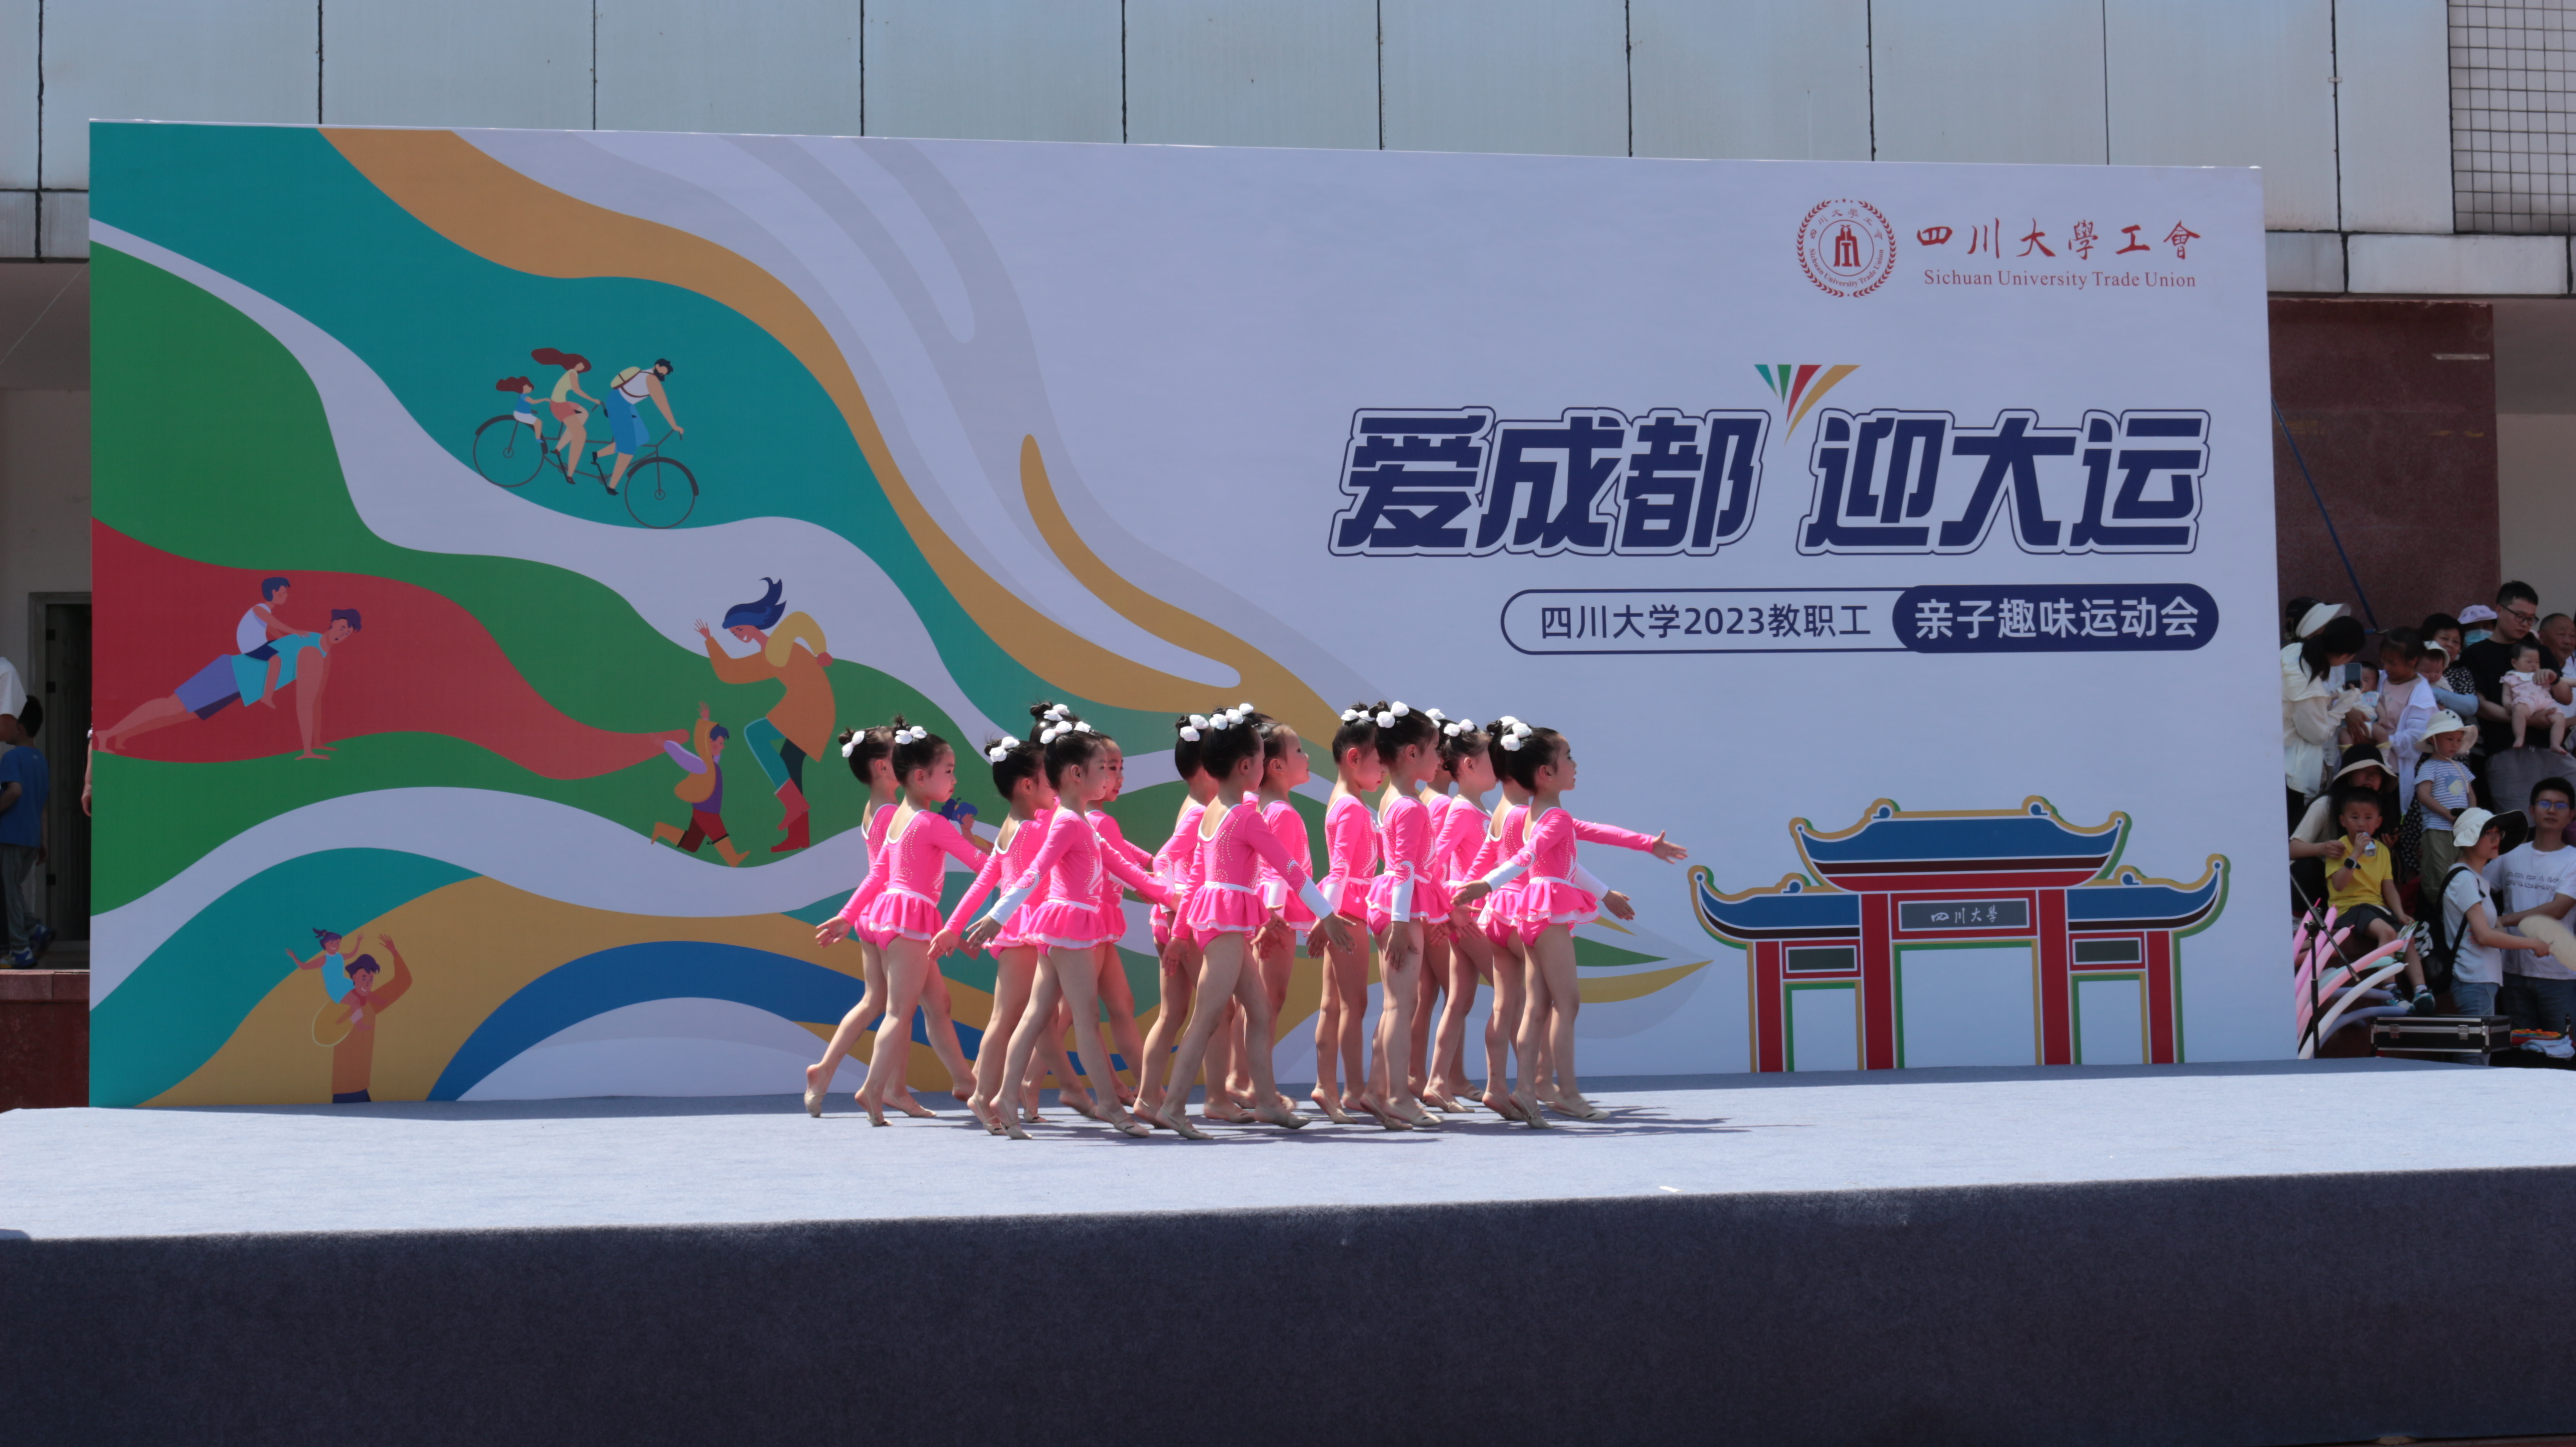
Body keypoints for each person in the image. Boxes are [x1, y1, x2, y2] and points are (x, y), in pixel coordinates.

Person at [1455, 721, 1689, 1122]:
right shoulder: (1551, 817)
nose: (1576, 765)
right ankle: (1566, 1092)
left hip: (1527, 911)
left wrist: (1647, 843)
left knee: (1536, 1006)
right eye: (1569, 758)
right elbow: (1527, 857)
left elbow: (1594, 832)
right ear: (1546, 772)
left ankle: (1526, 1090)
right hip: (1547, 912)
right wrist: (1486, 885)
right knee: (1567, 1003)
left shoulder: (1532, 814)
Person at [1130, 704, 1346, 1139]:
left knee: (1259, 1011)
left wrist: (1180, 934)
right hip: (1225, 924)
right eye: (1263, 760)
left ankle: (1266, 1101)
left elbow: (1195, 878)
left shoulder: (1213, 810)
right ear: (1246, 766)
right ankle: (1173, 1107)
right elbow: (1289, 869)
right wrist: (1328, 914)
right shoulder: (1245, 816)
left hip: (1219, 920)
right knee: (1208, 1016)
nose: (1265, 768)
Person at [964, 706, 1172, 1140]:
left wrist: (1174, 896)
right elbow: (1032, 873)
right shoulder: (1066, 824)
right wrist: (998, 916)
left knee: (1038, 1015)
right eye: (1103, 769)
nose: (1111, 777)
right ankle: (1110, 1106)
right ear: (1077, 774)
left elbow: (1125, 868)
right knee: (1085, 1018)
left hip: (1067, 925)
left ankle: (1005, 1098)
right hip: (1069, 925)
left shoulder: (1081, 823)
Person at [845, 724, 983, 1125]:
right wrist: (1027, 865)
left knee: (938, 1004)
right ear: (921, 776)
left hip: (898, 917)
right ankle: (874, 1090)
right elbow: (981, 865)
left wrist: (847, 916)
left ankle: (966, 1082)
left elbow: (878, 875)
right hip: (908, 921)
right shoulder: (930, 823)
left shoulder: (900, 817)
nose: (955, 780)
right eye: (949, 771)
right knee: (899, 1012)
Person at [96, 609, 362, 760]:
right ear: (333, 623)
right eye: (342, 627)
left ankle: (120, 735)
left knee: (181, 714)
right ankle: (108, 734)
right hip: (232, 675)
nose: (343, 633)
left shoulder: (316, 646)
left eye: (348, 632)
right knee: (171, 706)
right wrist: (308, 749)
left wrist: (316, 742)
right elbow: (304, 702)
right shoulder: (312, 650)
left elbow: (310, 698)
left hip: (240, 685)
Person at [696, 578, 835, 853]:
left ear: (753, 623)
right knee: (790, 762)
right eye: (734, 634)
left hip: (809, 706)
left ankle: (793, 806)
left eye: (739, 629)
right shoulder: (769, 655)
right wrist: (710, 640)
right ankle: (799, 832)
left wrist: (821, 651)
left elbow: (799, 621)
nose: (738, 636)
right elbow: (731, 673)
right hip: (806, 707)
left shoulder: (777, 646)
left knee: (756, 733)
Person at [1310, 706, 1384, 1123]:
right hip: (1347, 911)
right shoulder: (1352, 808)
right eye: (1380, 761)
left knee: (1334, 1004)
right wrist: (1329, 916)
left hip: (1343, 908)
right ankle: (1353, 1089)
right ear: (1354, 758)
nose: (1385, 770)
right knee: (1354, 1004)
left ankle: (1329, 1085)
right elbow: (1339, 868)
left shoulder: (1346, 802)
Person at [2318, 788, 2435, 1012]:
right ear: (2343, 821)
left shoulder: (2382, 849)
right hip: (2349, 908)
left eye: (2368, 818)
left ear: (2378, 822)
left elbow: (2388, 887)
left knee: (2407, 937)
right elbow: (2339, 885)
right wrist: (2355, 854)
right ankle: (2390, 992)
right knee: (2388, 933)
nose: (2361, 823)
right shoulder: (2339, 847)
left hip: (2376, 908)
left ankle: (2421, 990)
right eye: (2355, 817)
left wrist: (2400, 914)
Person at [2487, 778, 2576, 1042]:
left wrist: (2502, 921)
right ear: (2531, 810)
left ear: (2572, 815)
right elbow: (2476, 886)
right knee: (2520, 1053)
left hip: (2559, 974)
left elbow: (2558, 909)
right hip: (2512, 971)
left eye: (2561, 805)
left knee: (2562, 1051)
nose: (2552, 810)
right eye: (2545, 803)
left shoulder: (2573, 859)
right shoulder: (2509, 854)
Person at [2438, 808, 2538, 1019]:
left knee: (2481, 1041)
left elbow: (2492, 931)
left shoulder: (2475, 878)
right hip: (2473, 978)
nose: (2496, 839)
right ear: (2469, 840)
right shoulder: (2465, 879)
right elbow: (2485, 936)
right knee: (2477, 1041)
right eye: (2487, 833)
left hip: (2481, 979)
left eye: (2498, 833)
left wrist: (2492, 933)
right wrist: (2534, 944)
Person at [2285, 615, 2369, 827]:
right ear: (2346, 656)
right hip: (2289, 772)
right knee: (2291, 834)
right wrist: (2345, 704)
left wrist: (2336, 697)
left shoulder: (2293, 651)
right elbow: (2318, 734)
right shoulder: (2308, 686)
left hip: (2276, 760)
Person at [649, 703, 746, 867]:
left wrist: (706, 721)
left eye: (722, 744)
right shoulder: (702, 766)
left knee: (692, 844)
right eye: (719, 744)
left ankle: (662, 829)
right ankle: (733, 859)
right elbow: (682, 756)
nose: (722, 747)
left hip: (706, 809)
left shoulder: (712, 763)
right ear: (709, 742)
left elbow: (708, 746)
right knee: (718, 833)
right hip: (706, 811)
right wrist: (665, 744)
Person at [325, 939, 413, 1104]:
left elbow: (403, 982)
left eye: (371, 979)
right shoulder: (343, 1002)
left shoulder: (370, 1003)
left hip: (362, 1083)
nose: (367, 983)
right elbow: (328, 1032)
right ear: (353, 978)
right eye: (364, 977)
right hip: (346, 1087)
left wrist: (395, 953)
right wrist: (352, 1019)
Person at [0, 699, 50, 967]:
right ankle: (34, 929)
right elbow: (43, 806)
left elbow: (14, 791)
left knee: (9, 893)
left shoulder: (11, 757)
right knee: (13, 890)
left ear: (18, 728)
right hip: (31, 837)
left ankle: (21, 949)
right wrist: (44, 840)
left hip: (10, 835)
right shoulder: (41, 760)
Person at [2410, 713, 2479, 891]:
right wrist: (2447, 814)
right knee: (2441, 872)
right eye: (2449, 739)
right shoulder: (2428, 766)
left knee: (2462, 868)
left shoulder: (2461, 767)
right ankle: (2441, 903)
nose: (2455, 745)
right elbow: (2423, 796)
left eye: (2459, 740)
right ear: (2433, 739)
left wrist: (2471, 816)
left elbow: (2471, 794)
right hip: (2438, 828)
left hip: (2460, 829)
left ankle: (2460, 901)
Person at [594, 359, 682, 495]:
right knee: (628, 450)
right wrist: (674, 425)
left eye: (664, 375)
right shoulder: (651, 379)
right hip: (618, 405)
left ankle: (597, 455)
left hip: (624, 404)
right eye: (661, 372)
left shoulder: (646, 374)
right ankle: (611, 487)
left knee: (642, 437)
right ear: (657, 366)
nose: (662, 376)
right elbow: (662, 403)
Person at [532, 348, 597, 482]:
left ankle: (558, 448)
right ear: (576, 363)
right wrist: (593, 400)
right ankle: (570, 474)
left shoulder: (572, 373)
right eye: (582, 363)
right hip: (559, 406)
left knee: (584, 414)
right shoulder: (572, 373)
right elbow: (577, 391)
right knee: (581, 435)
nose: (583, 366)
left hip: (562, 403)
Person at [2502, 640, 2571, 755]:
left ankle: (2555, 743)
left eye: (2537, 662)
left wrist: (2556, 679)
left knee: (2559, 718)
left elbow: (2564, 681)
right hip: (2526, 701)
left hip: (2546, 703)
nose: (2534, 665)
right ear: (2515, 663)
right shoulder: (2512, 676)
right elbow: (2506, 694)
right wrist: (2507, 703)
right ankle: (2520, 737)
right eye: (2529, 662)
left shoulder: (2542, 675)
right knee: (2519, 711)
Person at [289, 928, 360, 1003]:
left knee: (362, 991)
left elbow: (352, 954)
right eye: (332, 943)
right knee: (355, 1001)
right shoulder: (324, 959)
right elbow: (304, 967)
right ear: (325, 944)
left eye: (338, 943)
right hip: (334, 988)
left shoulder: (340, 956)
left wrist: (359, 942)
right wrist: (294, 957)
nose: (335, 945)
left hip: (344, 982)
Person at [238, 577, 298, 660]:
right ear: (274, 592)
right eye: (283, 592)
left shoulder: (266, 610)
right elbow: (275, 624)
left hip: (260, 645)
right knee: (276, 659)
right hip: (252, 647)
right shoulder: (259, 609)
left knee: (288, 648)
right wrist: (295, 632)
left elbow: (270, 628)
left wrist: (283, 639)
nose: (286, 595)